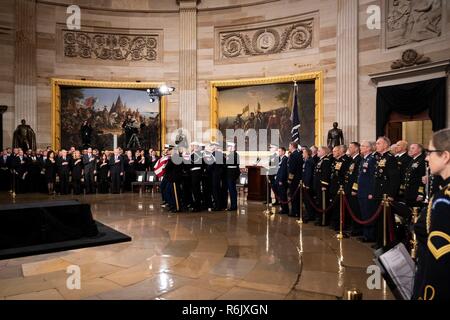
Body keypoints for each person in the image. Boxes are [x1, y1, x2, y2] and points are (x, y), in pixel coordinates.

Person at [413, 128, 450, 300]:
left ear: (445, 156)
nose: (427, 158)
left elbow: (440, 261)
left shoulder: (444, 201)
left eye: (430, 152)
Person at [373, 136, 400, 249]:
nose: (376, 145)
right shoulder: (380, 158)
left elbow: (394, 179)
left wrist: (391, 195)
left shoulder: (390, 158)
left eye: (378, 143)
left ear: (385, 145)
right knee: (379, 219)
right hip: (379, 193)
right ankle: (380, 241)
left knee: (386, 220)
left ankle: (386, 243)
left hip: (386, 194)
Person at [354, 141, 377, 243]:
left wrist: (371, 192)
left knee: (368, 214)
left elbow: (373, 177)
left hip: (368, 192)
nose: (361, 147)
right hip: (362, 191)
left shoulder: (372, 159)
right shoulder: (364, 159)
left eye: (363, 146)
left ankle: (370, 235)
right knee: (364, 213)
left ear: (368, 148)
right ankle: (365, 234)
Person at [344, 142, 362, 236]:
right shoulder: (352, 160)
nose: (349, 149)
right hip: (348, 188)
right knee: (351, 209)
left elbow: (357, 177)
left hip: (354, 189)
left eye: (351, 147)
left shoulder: (359, 160)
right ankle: (353, 228)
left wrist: (355, 189)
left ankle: (357, 229)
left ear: (356, 149)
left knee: (355, 210)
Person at [313, 146, 332, 226]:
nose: (317, 152)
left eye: (319, 151)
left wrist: (324, 185)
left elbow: (325, 174)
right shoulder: (320, 160)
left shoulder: (326, 161)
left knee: (323, 203)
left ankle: (323, 220)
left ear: (324, 152)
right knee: (319, 202)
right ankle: (320, 219)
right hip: (318, 185)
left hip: (322, 186)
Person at [403, 143, 426, 208]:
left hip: (416, 193)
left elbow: (423, 177)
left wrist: (421, 194)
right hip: (410, 191)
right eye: (410, 148)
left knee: (416, 212)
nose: (410, 150)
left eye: (413, 148)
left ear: (419, 149)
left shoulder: (422, 160)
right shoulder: (414, 160)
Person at [287, 141, 303, 217]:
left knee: (294, 196)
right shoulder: (299, 154)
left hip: (294, 179)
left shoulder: (293, 155)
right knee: (296, 196)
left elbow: (292, 169)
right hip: (298, 178)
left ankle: (294, 212)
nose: (289, 147)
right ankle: (297, 211)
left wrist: (289, 179)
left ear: (292, 146)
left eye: (289, 146)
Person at [225, 142, 240, 211]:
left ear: (232, 147)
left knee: (232, 190)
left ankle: (233, 206)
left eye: (228, 147)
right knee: (232, 190)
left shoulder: (233, 154)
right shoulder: (234, 154)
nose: (227, 148)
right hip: (232, 173)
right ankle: (233, 205)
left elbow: (228, 164)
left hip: (231, 173)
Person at [301, 148, 315, 222]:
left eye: (303, 153)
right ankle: (308, 214)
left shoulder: (309, 161)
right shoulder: (306, 161)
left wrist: (306, 184)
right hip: (305, 183)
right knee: (306, 201)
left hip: (308, 184)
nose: (302, 154)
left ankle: (310, 215)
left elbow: (308, 174)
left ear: (307, 153)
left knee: (308, 200)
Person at [275, 147, 289, 215]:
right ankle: (283, 208)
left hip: (282, 181)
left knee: (283, 195)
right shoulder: (281, 159)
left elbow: (284, 171)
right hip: (279, 179)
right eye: (278, 151)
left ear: (283, 152)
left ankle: (285, 209)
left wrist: (281, 180)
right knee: (280, 195)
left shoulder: (285, 159)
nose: (279, 152)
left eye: (280, 151)